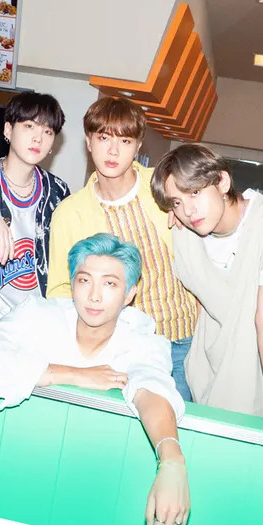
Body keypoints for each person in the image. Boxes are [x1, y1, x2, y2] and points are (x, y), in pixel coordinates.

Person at [0, 233, 190, 525]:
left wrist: (172, 461)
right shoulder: (38, 314)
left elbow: (151, 388)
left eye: (110, 284)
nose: (94, 296)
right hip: (14, 465)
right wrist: (72, 374)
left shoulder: (142, 341)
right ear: (72, 284)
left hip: (91, 483)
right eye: (84, 280)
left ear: (129, 293)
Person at [150, 143, 263, 432]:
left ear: (222, 182)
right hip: (204, 386)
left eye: (195, 192)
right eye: (177, 202)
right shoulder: (184, 231)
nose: (188, 210)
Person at [47, 97, 198, 401]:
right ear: (89, 142)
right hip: (123, 347)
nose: (113, 151)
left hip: (186, 338)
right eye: (104, 138)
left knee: (185, 420)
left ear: (138, 145)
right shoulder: (70, 213)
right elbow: (60, 290)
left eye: (125, 141)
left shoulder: (165, 187)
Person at [0, 90, 70, 316]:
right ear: (8, 130)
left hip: (41, 316)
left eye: (47, 131)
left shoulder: (58, 191)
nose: (38, 138)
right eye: (29, 126)